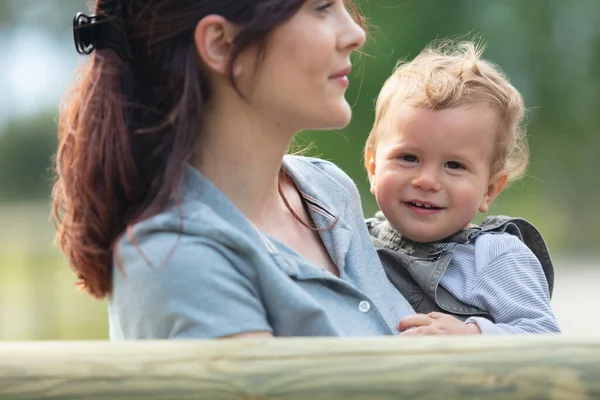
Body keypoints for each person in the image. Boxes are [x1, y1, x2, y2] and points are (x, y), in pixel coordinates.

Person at [52, 0, 417, 339]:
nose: (356, 33)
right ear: (222, 44)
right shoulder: (174, 260)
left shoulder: (330, 190)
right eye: (322, 7)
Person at [363, 40, 561, 335]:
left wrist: (472, 335)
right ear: (374, 168)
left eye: (454, 165)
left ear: (490, 189)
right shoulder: (355, 239)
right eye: (408, 157)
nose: (427, 181)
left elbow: (544, 337)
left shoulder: (494, 256)